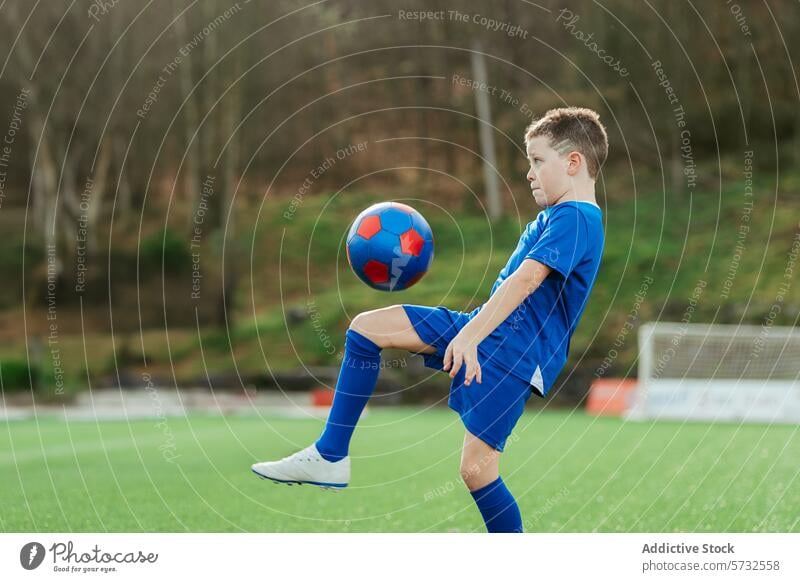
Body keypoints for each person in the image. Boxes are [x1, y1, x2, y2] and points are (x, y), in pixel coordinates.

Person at [252, 107, 608, 533]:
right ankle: (330, 455)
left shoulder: (578, 218)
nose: (528, 173)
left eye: (537, 161)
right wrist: (474, 330)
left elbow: (528, 279)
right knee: (366, 329)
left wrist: (472, 335)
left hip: (512, 353)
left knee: (477, 471)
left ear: (573, 163)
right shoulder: (557, 215)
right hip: (485, 330)